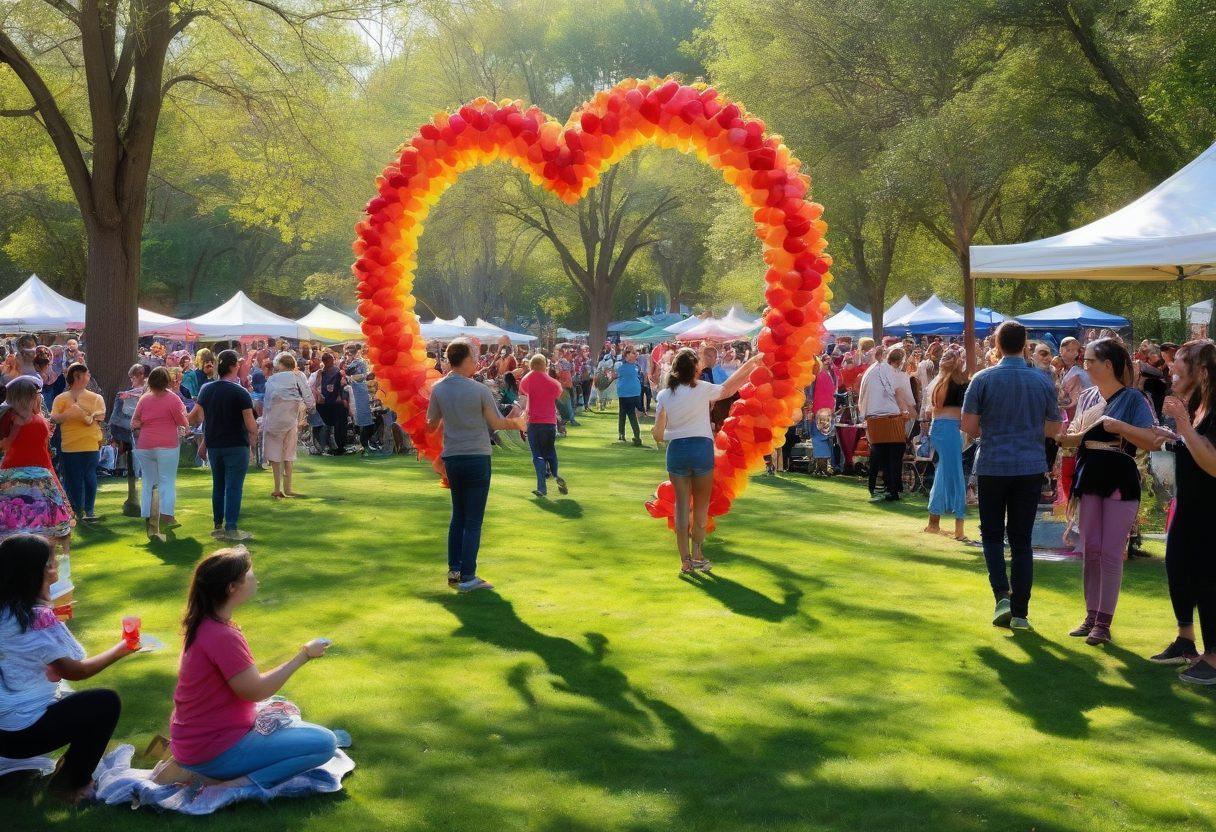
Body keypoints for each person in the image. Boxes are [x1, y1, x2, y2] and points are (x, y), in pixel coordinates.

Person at [170, 547, 338, 793]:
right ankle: (235, 786)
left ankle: (212, 772)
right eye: (249, 573)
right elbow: (255, 691)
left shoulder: (203, 623)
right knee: (325, 743)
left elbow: (244, 686)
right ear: (232, 588)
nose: (255, 578)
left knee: (279, 704)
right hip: (213, 751)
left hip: (194, 744)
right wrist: (304, 656)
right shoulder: (221, 634)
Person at [0, 534, 135, 803]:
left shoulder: (9, 611)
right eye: (49, 565)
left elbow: (27, 648)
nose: (55, 570)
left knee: (68, 695)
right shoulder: (37, 618)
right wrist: (124, 648)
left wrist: (50, 615)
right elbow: (76, 670)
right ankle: (71, 782)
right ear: (33, 573)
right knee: (104, 703)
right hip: (20, 735)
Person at [1053, 338, 1160, 645]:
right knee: (1091, 550)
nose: (1084, 365)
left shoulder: (1134, 399)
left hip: (1119, 477)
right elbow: (1074, 437)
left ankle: (1103, 622)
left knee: (1111, 552)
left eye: (1089, 361)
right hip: (1088, 475)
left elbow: (1152, 440)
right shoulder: (1086, 397)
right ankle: (1090, 616)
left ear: (1108, 365)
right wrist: (1062, 438)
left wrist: (1119, 427)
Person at [961, 322, 1061, 631]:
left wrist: (991, 432)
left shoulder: (983, 378)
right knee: (1021, 541)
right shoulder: (1042, 380)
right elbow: (1054, 427)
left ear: (998, 344)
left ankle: (1001, 595)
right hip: (1029, 466)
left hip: (993, 463)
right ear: (1026, 345)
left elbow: (968, 425)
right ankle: (1020, 612)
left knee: (991, 534)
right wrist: (1029, 433)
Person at [426, 340, 526, 592]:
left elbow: (430, 424)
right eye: (474, 357)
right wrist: (520, 422)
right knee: (472, 520)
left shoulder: (438, 389)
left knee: (458, 515)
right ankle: (468, 576)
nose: (477, 361)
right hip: (476, 457)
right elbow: (498, 423)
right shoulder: (478, 390)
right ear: (467, 359)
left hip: (453, 457)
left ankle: (455, 570)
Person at [651, 347, 762, 574]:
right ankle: (698, 555)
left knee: (681, 508)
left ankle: (685, 561)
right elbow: (729, 388)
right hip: (701, 450)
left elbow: (658, 434)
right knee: (700, 509)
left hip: (677, 452)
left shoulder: (664, 395)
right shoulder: (701, 389)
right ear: (694, 369)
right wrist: (752, 363)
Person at [1147, 341, 1216, 680]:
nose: (1171, 366)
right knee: (1178, 569)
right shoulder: (1200, 405)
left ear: (1202, 371)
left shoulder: (1212, 408)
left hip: (1209, 511)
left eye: (1180, 363)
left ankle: (1214, 657)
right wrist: (1172, 437)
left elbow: (1214, 464)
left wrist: (1183, 425)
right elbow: (1194, 447)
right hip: (1189, 504)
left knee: (1207, 579)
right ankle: (1186, 640)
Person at [191, 350, 257, 542]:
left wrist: (203, 443)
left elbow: (204, 419)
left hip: (215, 446)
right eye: (237, 364)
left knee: (218, 486)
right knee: (234, 487)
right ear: (232, 366)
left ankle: (218, 525)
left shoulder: (206, 389)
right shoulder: (241, 392)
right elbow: (250, 425)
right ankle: (231, 527)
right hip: (236, 445)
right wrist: (256, 434)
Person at [131, 366, 189, 541]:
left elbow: (134, 422)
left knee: (149, 481)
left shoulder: (144, 399)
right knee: (167, 481)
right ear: (167, 381)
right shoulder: (173, 399)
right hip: (167, 445)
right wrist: (185, 423)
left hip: (145, 444)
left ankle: (149, 516)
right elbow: (182, 421)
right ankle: (167, 516)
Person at [50, 363, 106, 523]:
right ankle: (77, 510)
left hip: (90, 443)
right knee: (74, 479)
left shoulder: (96, 398)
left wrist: (84, 414)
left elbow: (100, 416)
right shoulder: (61, 398)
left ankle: (89, 510)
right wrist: (69, 413)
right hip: (70, 445)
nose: (89, 377)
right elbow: (53, 418)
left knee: (89, 477)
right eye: (87, 374)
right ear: (77, 376)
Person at [858, 347, 915, 503]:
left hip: (874, 420)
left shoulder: (873, 370)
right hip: (891, 420)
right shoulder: (894, 373)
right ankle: (893, 490)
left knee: (877, 456)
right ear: (898, 361)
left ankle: (874, 487)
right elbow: (902, 396)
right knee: (894, 458)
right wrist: (906, 411)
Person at [924, 350, 969, 541]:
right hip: (950, 430)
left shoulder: (937, 382)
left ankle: (934, 520)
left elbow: (929, 412)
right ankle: (959, 526)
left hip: (939, 428)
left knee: (943, 473)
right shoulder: (960, 381)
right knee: (956, 476)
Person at [519, 353, 566, 498]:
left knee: (537, 455)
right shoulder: (552, 382)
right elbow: (559, 393)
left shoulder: (527, 379)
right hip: (549, 422)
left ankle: (541, 487)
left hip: (534, 421)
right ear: (545, 365)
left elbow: (523, 391)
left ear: (531, 365)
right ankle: (556, 474)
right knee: (550, 451)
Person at [312, 353, 349, 455]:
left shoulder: (325, 372)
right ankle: (336, 447)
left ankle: (329, 447)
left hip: (329, 403)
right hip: (333, 403)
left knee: (331, 426)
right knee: (337, 426)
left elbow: (316, 386)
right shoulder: (326, 372)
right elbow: (344, 385)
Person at [615, 345, 644, 446]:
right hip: (625, 394)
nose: (635, 354)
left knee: (631, 414)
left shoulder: (636, 366)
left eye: (635, 353)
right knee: (624, 414)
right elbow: (614, 375)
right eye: (633, 353)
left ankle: (635, 436)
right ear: (627, 355)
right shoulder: (621, 367)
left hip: (634, 394)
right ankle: (626, 434)